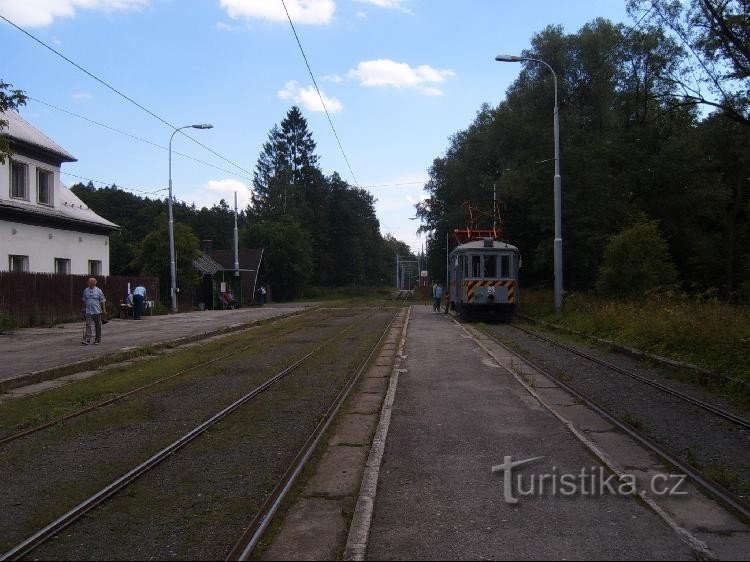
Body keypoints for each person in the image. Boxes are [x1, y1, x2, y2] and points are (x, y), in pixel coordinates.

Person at [82, 277, 107, 345]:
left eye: (92, 282)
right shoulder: (85, 290)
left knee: (98, 325)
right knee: (88, 324)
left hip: (97, 311)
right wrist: (83, 308)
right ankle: (87, 339)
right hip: (88, 310)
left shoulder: (99, 291)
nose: (90, 283)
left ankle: (97, 339)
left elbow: (103, 300)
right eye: (89, 282)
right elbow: (84, 300)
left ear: (95, 283)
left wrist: (104, 310)